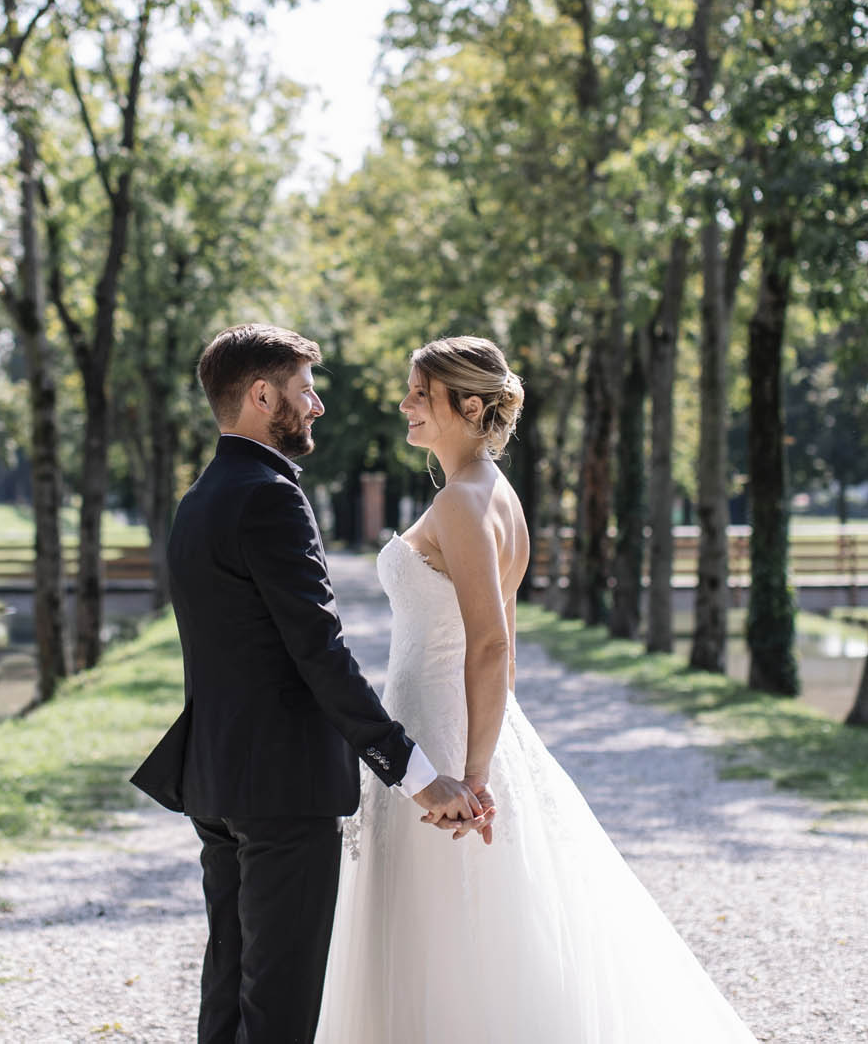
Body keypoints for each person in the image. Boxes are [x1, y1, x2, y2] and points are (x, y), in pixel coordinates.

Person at [315, 335, 757, 1041]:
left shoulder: (463, 500)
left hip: (446, 738)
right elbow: (505, 646)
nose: (404, 405)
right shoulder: (496, 493)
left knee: (441, 928)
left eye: (418, 394)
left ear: (465, 405)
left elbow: (491, 643)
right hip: (461, 726)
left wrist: (472, 774)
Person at [131, 324, 486, 1044]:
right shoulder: (271, 496)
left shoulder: (197, 498)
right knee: (281, 1012)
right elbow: (319, 654)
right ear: (263, 396)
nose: (318, 404)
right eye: (305, 389)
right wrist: (416, 773)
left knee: (228, 993)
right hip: (282, 792)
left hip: (217, 783)